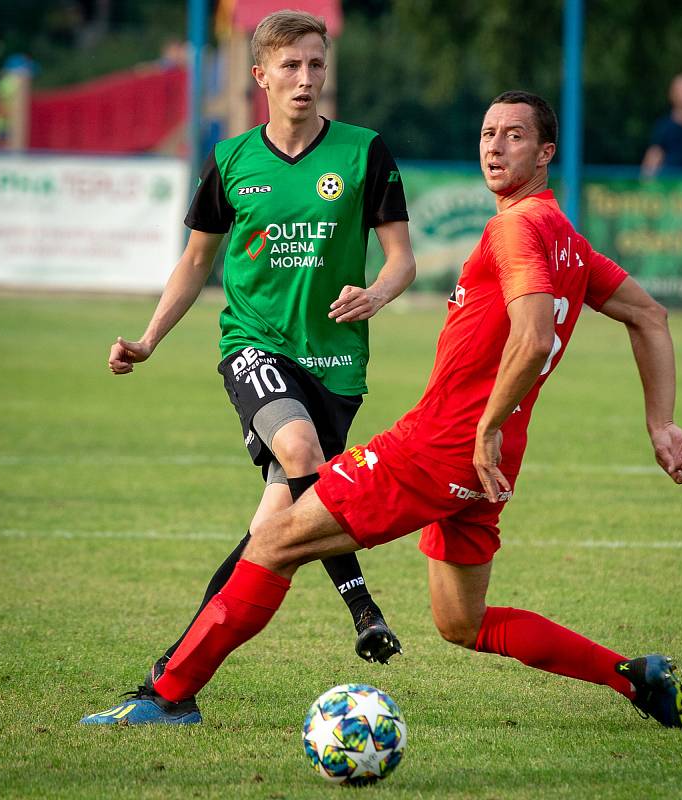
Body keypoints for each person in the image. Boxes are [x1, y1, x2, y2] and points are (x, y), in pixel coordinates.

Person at [83, 90, 682, 731]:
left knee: (273, 539)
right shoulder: (563, 236)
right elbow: (648, 315)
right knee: (462, 622)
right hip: (490, 460)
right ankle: (635, 677)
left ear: (546, 153)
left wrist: (485, 424)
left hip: (445, 447)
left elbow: (535, 334)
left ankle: (168, 696)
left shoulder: (515, 228)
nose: (494, 145)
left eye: (514, 136)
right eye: (488, 132)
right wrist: (660, 422)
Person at [99, 10, 416, 720]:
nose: (305, 78)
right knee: (299, 449)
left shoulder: (365, 153)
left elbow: (402, 259)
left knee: (271, 539)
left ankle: (169, 686)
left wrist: (376, 293)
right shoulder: (232, 160)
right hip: (255, 346)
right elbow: (195, 263)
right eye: (290, 66)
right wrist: (149, 339)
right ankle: (360, 602)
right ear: (261, 77)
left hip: (335, 367)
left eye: (315, 64)